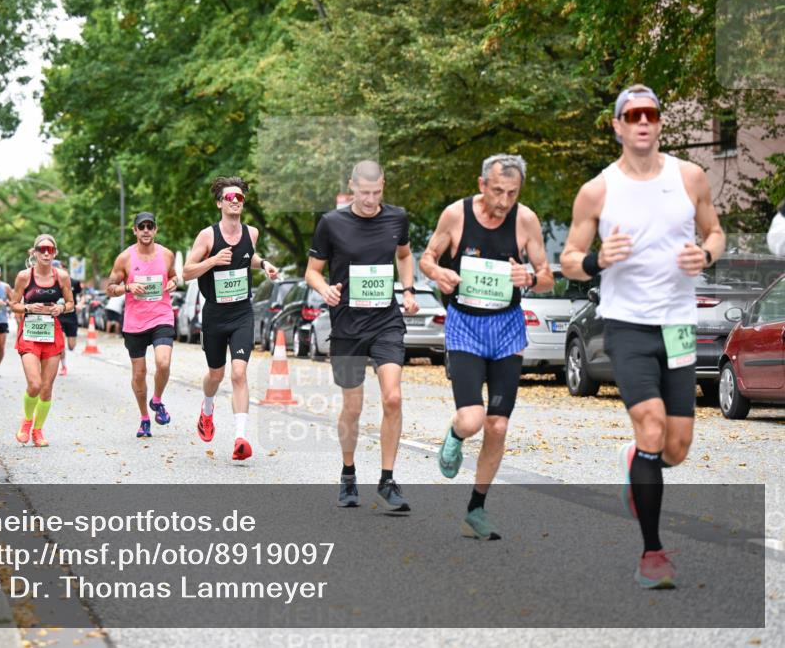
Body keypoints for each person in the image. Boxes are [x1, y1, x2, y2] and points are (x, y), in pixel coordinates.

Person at [561, 84, 725, 589]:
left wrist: (708, 254)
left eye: (650, 114)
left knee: (675, 448)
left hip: (677, 326)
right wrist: (596, 261)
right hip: (627, 324)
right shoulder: (598, 190)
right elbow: (569, 257)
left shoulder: (690, 177)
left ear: (659, 122)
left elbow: (715, 231)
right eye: (632, 115)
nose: (642, 122)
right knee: (650, 426)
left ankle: (638, 463)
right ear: (617, 125)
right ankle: (652, 554)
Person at [420, 154, 554, 538]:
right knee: (472, 419)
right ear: (481, 185)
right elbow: (427, 258)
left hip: (507, 328)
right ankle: (455, 434)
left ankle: (476, 508)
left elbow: (546, 277)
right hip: (464, 326)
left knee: (497, 425)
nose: (504, 201)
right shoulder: (456, 215)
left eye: (512, 193)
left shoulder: (526, 220)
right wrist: (439, 272)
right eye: (497, 191)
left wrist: (527, 276)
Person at [305, 160, 417, 513]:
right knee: (352, 408)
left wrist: (410, 289)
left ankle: (387, 480)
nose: (371, 200)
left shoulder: (397, 218)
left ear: (384, 185)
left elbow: (405, 254)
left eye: (377, 192)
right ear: (351, 186)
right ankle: (349, 472)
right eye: (364, 193)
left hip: (386, 321)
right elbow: (312, 272)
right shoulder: (331, 223)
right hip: (348, 326)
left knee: (393, 398)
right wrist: (325, 289)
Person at [183, 176, 279, 460]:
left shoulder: (252, 233)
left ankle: (240, 438)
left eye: (239, 198)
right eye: (229, 198)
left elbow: (247, 256)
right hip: (214, 313)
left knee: (239, 373)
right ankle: (208, 409)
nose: (235, 201)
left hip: (241, 313)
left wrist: (264, 263)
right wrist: (213, 260)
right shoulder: (208, 236)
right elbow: (187, 272)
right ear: (219, 203)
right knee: (216, 374)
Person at [105, 212, 179, 437]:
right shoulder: (125, 258)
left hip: (161, 317)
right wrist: (128, 288)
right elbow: (110, 287)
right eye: (142, 227)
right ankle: (145, 418)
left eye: (150, 226)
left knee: (163, 363)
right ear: (135, 230)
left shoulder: (167, 254)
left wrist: (174, 282)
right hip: (135, 322)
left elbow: (174, 276)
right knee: (139, 374)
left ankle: (156, 400)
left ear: (155, 230)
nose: (146, 230)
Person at [9, 234, 75, 447]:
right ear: (34, 252)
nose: (46, 253)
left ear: (54, 253)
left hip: (51, 333)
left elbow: (71, 303)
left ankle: (38, 431)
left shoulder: (62, 276)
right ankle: (27, 421)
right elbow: (14, 304)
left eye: (50, 249)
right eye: (42, 249)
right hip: (29, 333)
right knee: (35, 384)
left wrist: (61, 308)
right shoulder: (24, 276)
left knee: (47, 387)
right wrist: (27, 307)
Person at [54, 259, 81, 376]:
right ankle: (64, 366)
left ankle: (68, 350)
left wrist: (80, 304)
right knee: (61, 343)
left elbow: (82, 295)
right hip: (59, 317)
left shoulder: (74, 282)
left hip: (71, 317)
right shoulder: (53, 283)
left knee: (71, 346)